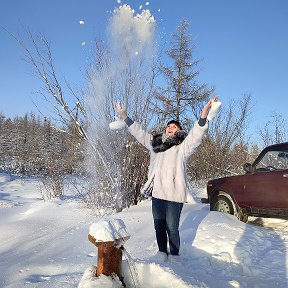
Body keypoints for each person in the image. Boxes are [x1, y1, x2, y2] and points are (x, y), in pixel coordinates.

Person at [114, 96, 218, 261]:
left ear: (178, 131)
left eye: (174, 126)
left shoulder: (182, 147)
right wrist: (125, 117)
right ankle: (162, 253)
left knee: (172, 228)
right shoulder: (155, 144)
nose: (170, 128)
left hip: (173, 195)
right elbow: (139, 132)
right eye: (169, 126)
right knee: (159, 226)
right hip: (157, 194)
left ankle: (175, 256)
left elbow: (196, 135)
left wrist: (204, 114)